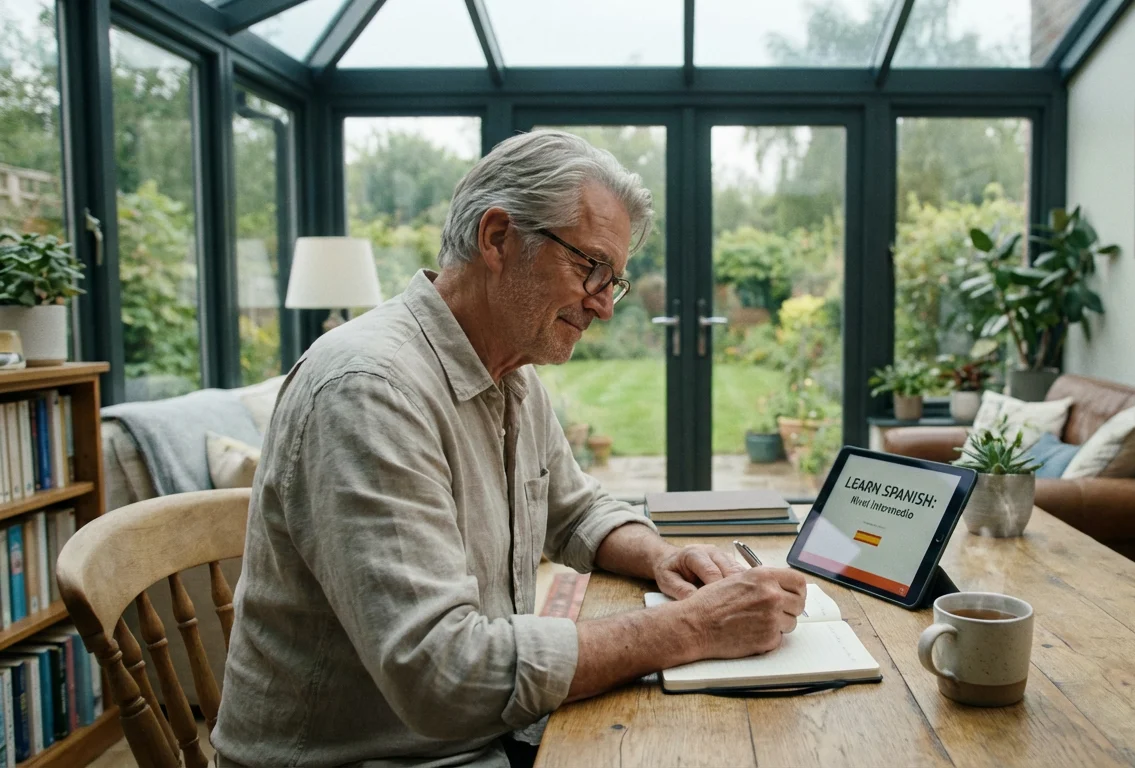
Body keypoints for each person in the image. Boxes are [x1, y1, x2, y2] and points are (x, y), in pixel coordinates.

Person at [211, 130, 807, 768]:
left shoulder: (510, 375)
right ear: (497, 238)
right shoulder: (368, 390)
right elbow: (442, 672)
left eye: (615, 280)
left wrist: (666, 557)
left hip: (479, 739)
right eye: (592, 268)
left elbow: (576, 511)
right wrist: (693, 627)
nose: (605, 306)